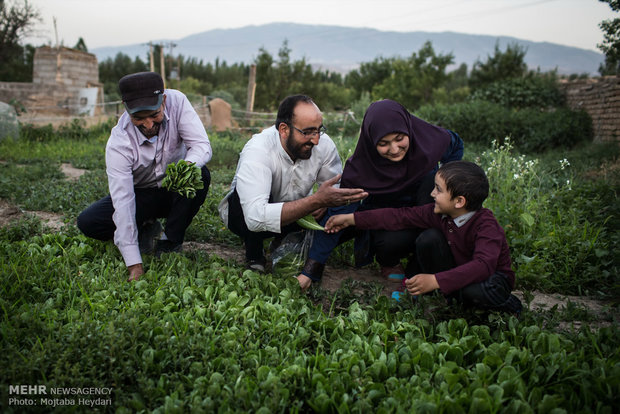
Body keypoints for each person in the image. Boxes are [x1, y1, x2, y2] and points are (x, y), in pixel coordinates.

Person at [296, 99, 463, 290]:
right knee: (386, 243)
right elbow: (337, 217)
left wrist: (448, 182)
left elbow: (455, 144)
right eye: (383, 143)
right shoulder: (360, 171)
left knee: (431, 187)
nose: (394, 149)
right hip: (390, 222)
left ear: (408, 129)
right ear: (371, 141)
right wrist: (310, 270)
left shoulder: (428, 140)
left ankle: (422, 263)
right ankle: (390, 261)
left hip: (428, 213)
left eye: (400, 138)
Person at [325, 160, 523, 314]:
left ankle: (509, 306)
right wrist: (352, 218)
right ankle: (449, 295)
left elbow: (483, 266)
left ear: (459, 201)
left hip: (491, 280)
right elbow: (399, 217)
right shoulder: (439, 214)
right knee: (429, 238)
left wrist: (436, 280)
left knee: (474, 293)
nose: (432, 193)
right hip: (457, 274)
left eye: (438, 189)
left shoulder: (486, 225)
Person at [77, 71, 212, 282]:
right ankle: (145, 226)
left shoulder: (177, 102)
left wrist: (186, 166)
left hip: (173, 188)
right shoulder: (119, 143)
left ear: (164, 101)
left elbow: (201, 145)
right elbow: (123, 201)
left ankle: (170, 241)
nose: (148, 124)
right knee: (88, 221)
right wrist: (134, 265)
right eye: (139, 118)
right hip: (142, 194)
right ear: (126, 108)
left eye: (154, 115)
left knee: (199, 175)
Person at [218, 94, 368, 272]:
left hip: (295, 213)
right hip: (244, 219)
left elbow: (334, 184)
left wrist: (326, 202)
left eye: (319, 130)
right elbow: (254, 217)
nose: (316, 140)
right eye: (307, 132)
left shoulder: (324, 146)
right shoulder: (258, 150)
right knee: (249, 202)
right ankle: (254, 253)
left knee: (350, 209)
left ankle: (289, 242)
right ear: (284, 129)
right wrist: (316, 201)